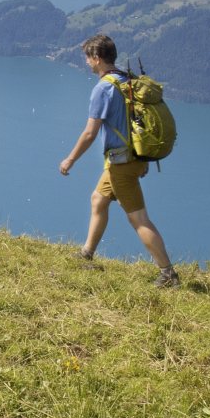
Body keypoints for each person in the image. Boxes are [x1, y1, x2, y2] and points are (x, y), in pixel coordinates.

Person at [59, 34, 180, 287]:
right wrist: (142, 159)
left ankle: (168, 274)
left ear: (97, 58)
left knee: (138, 219)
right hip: (129, 159)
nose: (86, 63)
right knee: (98, 199)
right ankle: (87, 253)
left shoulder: (103, 88)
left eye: (88, 58)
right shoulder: (127, 79)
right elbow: (134, 125)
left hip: (122, 165)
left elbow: (90, 132)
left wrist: (70, 159)